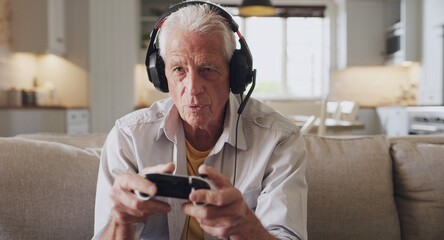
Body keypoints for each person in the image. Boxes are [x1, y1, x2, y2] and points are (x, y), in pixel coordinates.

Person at [93, 1, 307, 240]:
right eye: (178, 70)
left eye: (208, 68)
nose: (192, 89)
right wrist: (119, 221)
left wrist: (247, 227)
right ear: (161, 75)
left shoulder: (279, 139)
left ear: (234, 74)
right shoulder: (128, 137)